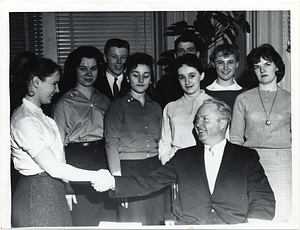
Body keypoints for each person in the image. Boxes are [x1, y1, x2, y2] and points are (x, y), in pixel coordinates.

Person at [92, 97, 275, 225]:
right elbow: (150, 180)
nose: (198, 124)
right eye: (196, 120)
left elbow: (264, 198)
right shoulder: (184, 157)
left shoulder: (246, 157)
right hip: (190, 224)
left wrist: (254, 225)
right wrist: (112, 181)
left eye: (205, 119)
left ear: (223, 123)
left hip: (232, 224)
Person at [10, 56, 103, 227]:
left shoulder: (39, 116)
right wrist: (96, 176)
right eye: (54, 83)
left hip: (52, 191)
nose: (58, 89)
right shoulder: (25, 121)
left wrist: (66, 186)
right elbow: (54, 167)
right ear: (36, 82)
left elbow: (58, 157)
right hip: (37, 196)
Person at [51, 46, 117, 226]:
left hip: (103, 162)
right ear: (74, 70)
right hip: (77, 164)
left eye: (93, 68)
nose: (89, 73)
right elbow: (57, 148)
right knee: (84, 220)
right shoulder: (63, 104)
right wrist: (66, 184)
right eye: (83, 68)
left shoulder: (105, 100)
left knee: (108, 219)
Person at [230, 43, 291, 222]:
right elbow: (235, 137)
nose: (262, 70)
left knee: (283, 213)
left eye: (267, 64)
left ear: (277, 67)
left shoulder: (292, 99)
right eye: (257, 66)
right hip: (252, 162)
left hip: (284, 163)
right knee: (257, 215)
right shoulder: (243, 99)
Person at [104, 53, 165, 225]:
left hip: (154, 168)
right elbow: (111, 143)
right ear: (127, 77)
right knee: (132, 221)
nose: (140, 80)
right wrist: (118, 181)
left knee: (156, 219)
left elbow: (162, 142)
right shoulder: (117, 106)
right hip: (129, 169)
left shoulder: (156, 107)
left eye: (146, 76)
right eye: (135, 75)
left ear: (151, 79)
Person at [159, 54, 211, 165]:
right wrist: (167, 167)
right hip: (177, 163)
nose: (187, 82)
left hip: (205, 163)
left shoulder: (214, 104)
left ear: (201, 76)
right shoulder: (170, 107)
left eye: (191, 76)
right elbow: (164, 144)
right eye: (182, 77)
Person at [154, 33, 201, 109]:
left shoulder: (206, 79)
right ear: (175, 56)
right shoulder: (165, 84)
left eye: (190, 50)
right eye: (181, 51)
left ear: (198, 54)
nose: (185, 54)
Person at [205, 44, 247, 111]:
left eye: (230, 62)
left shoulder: (245, 95)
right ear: (213, 64)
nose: (225, 67)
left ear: (237, 64)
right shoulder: (204, 94)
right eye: (220, 62)